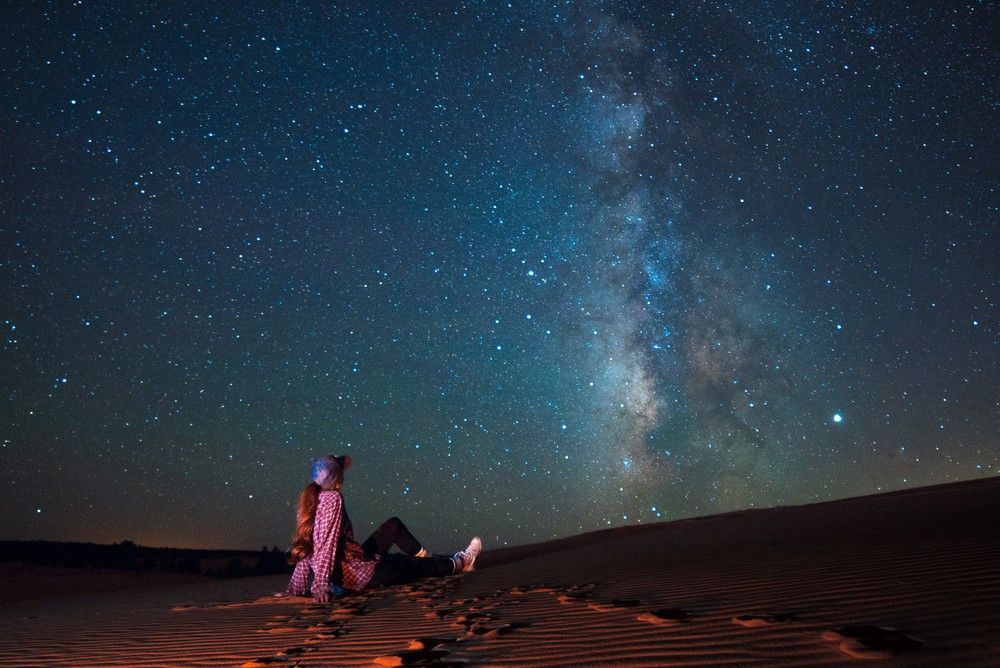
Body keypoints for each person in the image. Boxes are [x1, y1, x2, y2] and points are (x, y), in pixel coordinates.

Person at [285, 454, 482, 603]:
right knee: (413, 565)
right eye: (341, 472)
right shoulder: (333, 498)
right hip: (355, 573)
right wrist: (321, 585)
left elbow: (306, 546)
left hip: (353, 560)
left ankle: (430, 556)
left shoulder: (308, 501)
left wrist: (296, 586)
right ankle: (463, 561)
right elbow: (325, 545)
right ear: (336, 477)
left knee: (393, 526)